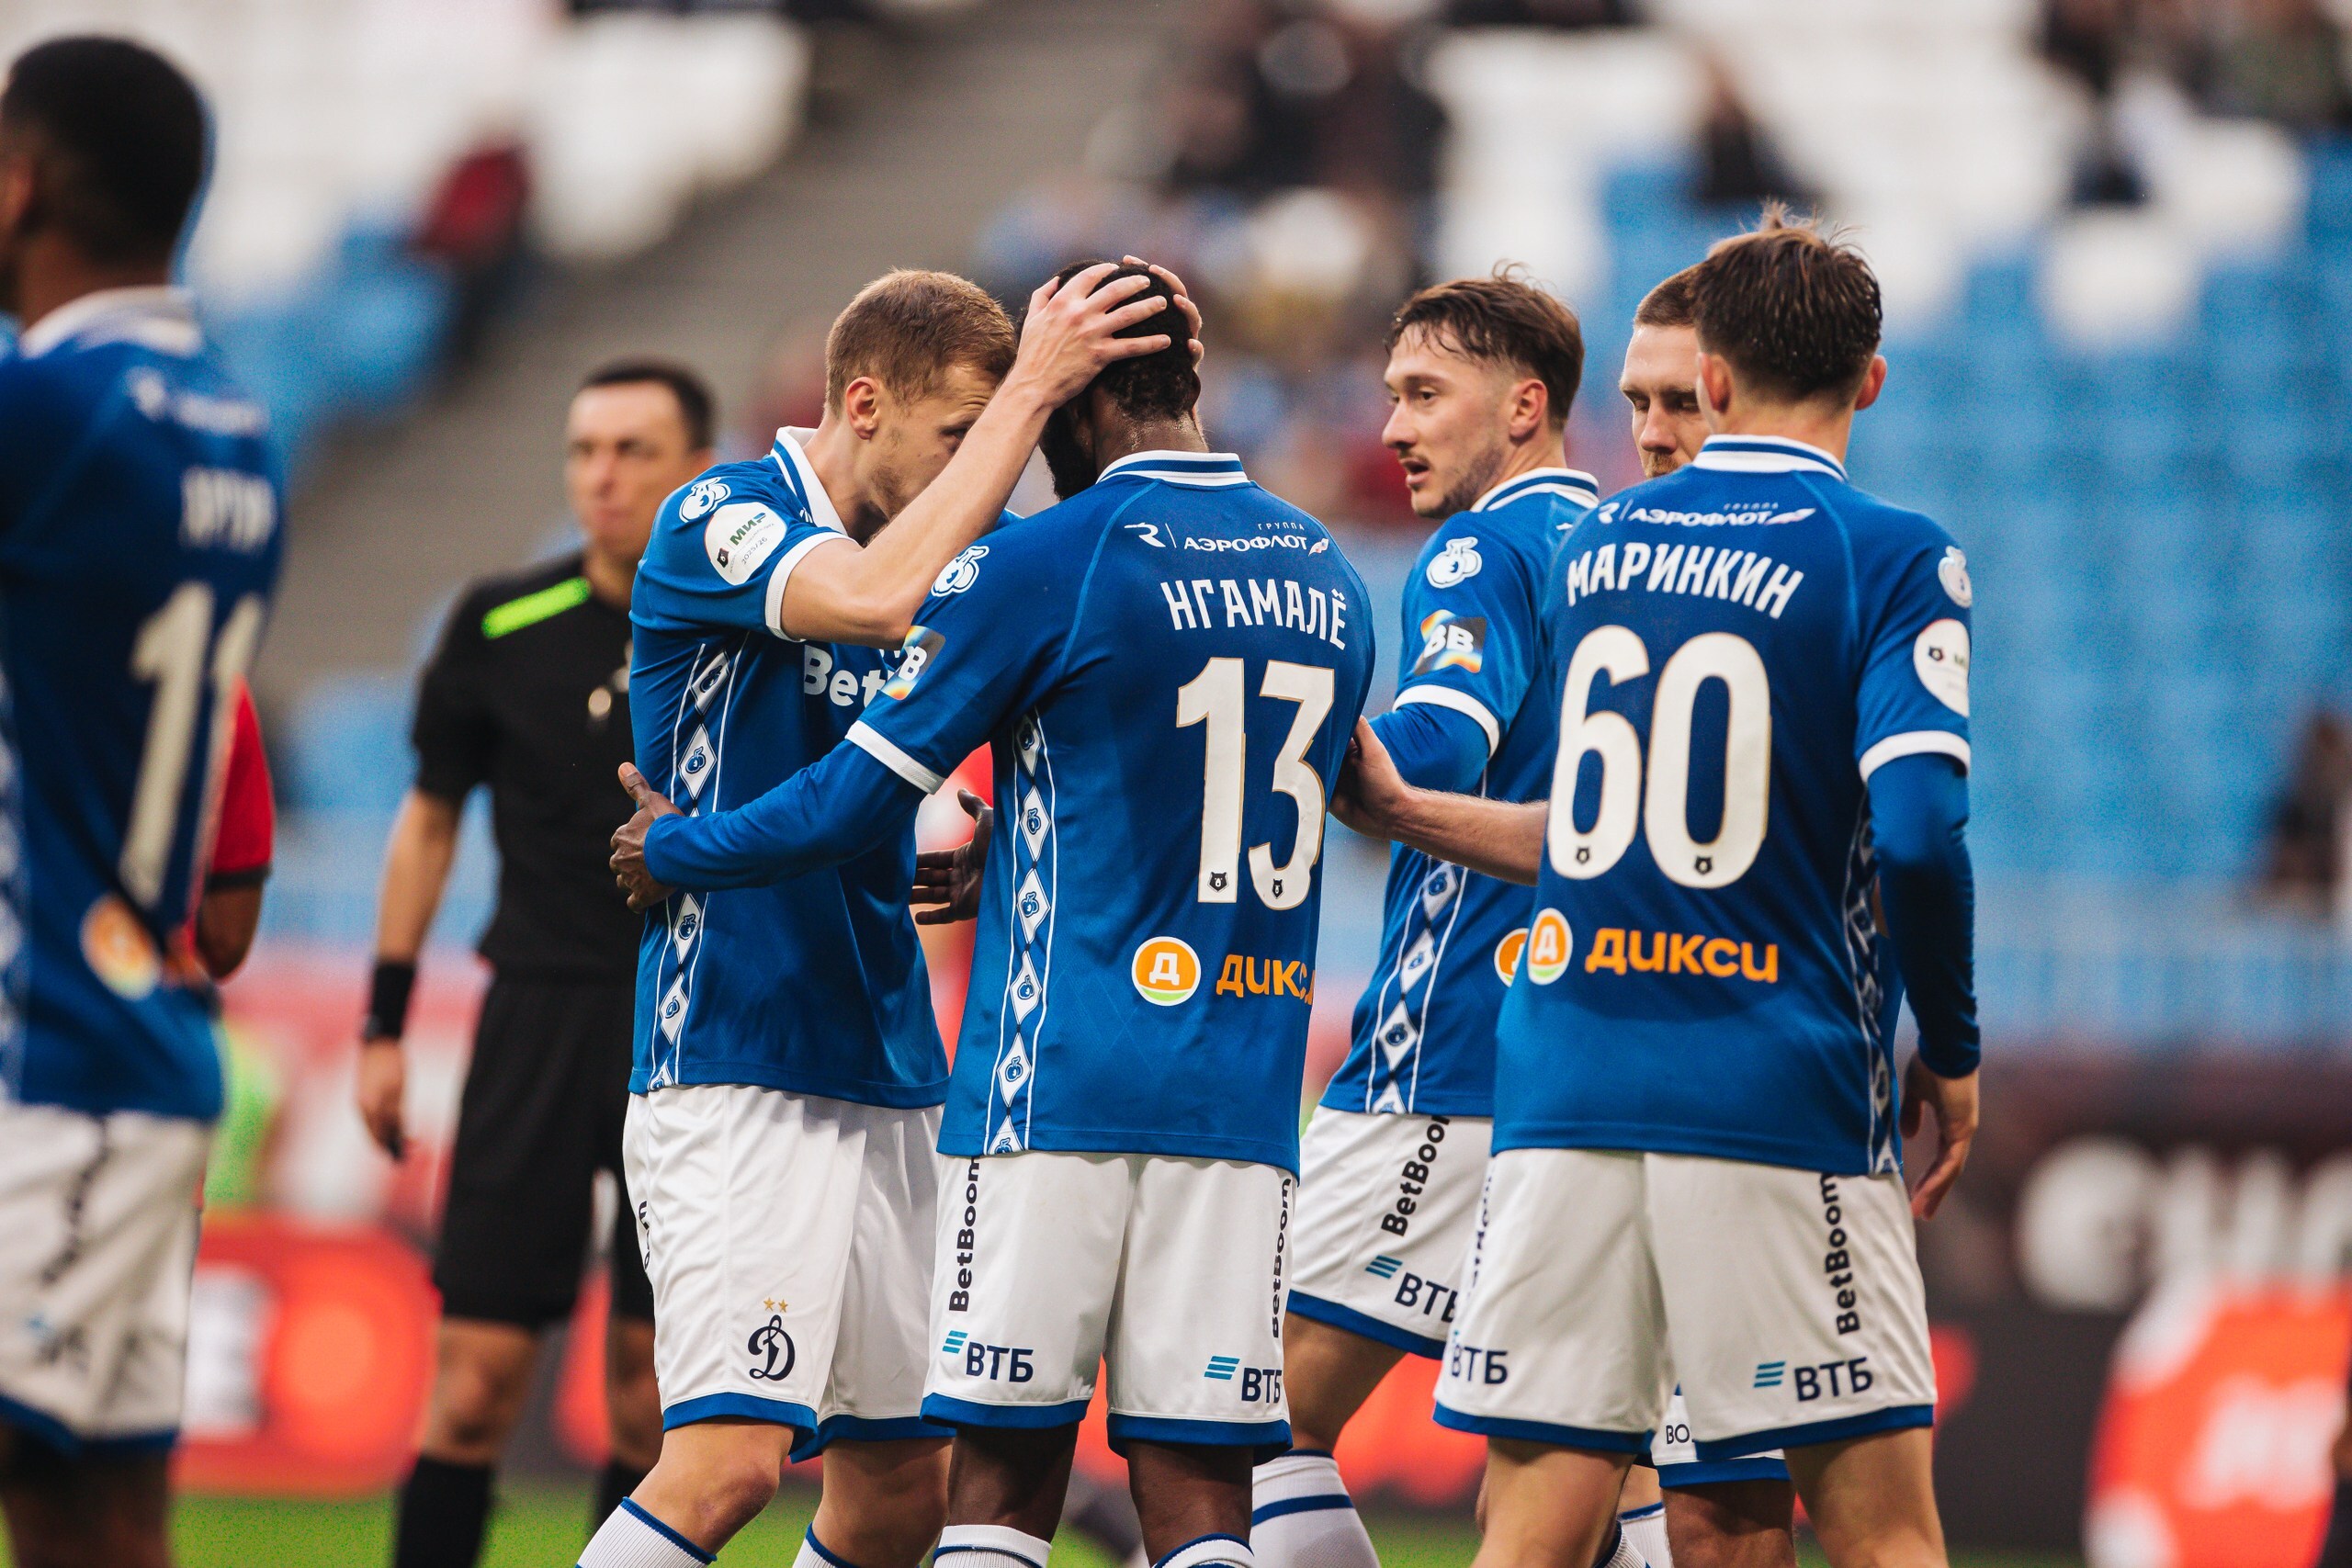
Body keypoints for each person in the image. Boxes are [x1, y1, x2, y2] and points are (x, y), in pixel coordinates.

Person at [607, 262, 1374, 1568]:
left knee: (902, 1496)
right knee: (730, 1466)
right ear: (864, 404)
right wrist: (1034, 390)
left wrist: (980, 845)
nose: (995, 469)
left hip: (892, 1061)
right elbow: (867, 600)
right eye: (966, 432)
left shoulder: (982, 556)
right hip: (738, 1049)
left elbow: (928, 749)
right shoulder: (723, 514)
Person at [1332, 209, 1979, 1568]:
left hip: (1563, 1088)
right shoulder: (1891, 555)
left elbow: (1587, 832)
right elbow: (1921, 832)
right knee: (1874, 1533)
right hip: (1773, 1084)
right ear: (1869, 381)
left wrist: (1393, 803)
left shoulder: (1597, 550)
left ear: (1717, 379)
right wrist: (1956, 1048)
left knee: (1537, 1531)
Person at [1251, 271, 1623, 1568]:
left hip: (1451, 1051)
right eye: (1389, 395)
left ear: (1523, 407)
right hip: (1597, 1059)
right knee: (1569, 1483)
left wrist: (1279, 712)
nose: (1393, 427)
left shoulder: (1481, 550)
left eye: (1423, 394)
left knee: (1244, 1424)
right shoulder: (1627, 553)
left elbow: (1431, 754)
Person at [353, 361, 717, 1566]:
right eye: (584, 449)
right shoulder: (498, 623)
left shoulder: (744, 631)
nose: (602, 476)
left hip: (691, 1030)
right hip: (538, 1021)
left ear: (696, 471)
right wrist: (384, 1023)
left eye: (634, 450)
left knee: (647, 1399)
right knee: (472, 1388)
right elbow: (428, 824)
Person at [0, 37, 284, 1568]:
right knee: (93, 1520)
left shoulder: (47, 410)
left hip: (45, 1059)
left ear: (22, 185)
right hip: (126, 1039)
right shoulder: (230, 422)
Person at [1611, 265, 1801, 1568]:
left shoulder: (1821, 578)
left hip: (1743, 1097)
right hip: (1602, 1085)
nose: (1652, 432)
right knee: (1560, 1494)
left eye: (1680, 401)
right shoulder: (1608, 568)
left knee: (1722, 1508)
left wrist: (1396, 802)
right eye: (1635, 403)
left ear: (1737, 392)